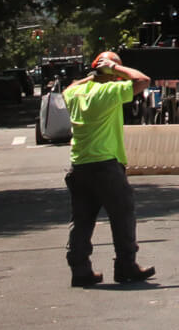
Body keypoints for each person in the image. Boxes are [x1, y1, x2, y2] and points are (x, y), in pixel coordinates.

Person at [63, 50, 155, 287]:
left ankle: (80, 270)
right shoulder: (109, 92)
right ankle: (126, 266)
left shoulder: (75, 93)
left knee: (82, 220)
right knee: (122, 216)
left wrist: (92, 75)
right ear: (112, 74)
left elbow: (68, 87)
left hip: (79, 165)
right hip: (105, 166)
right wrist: (115, 69)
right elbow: (142, 80)